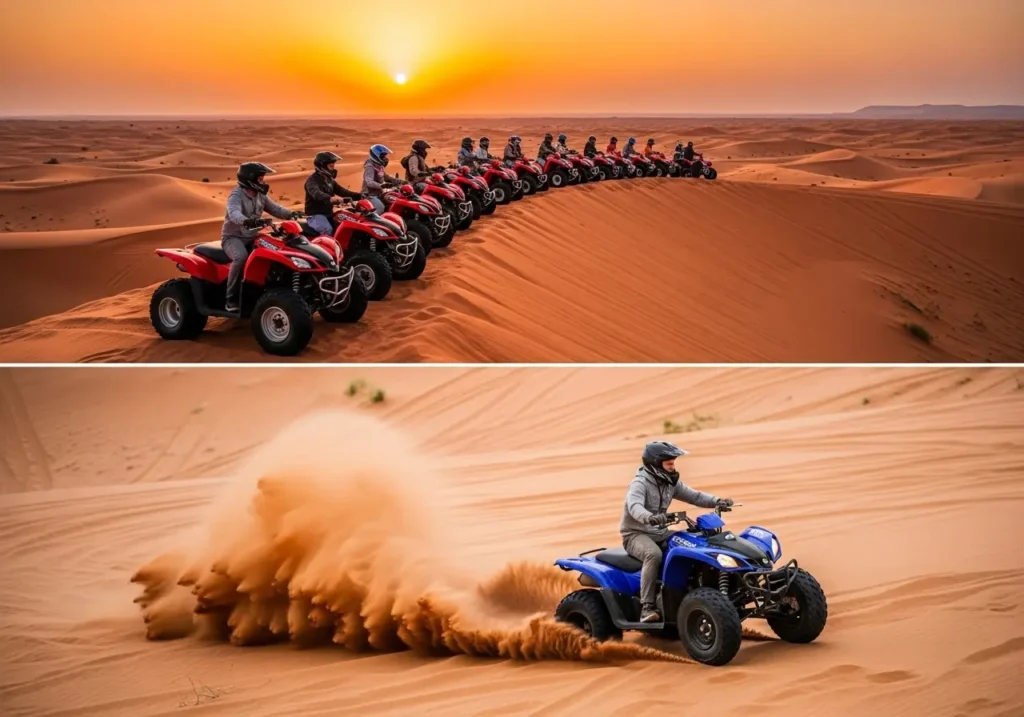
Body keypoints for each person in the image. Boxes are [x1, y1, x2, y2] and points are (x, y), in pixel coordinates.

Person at [620, 441, 733, 623]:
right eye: (669, 463)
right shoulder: (639, 484)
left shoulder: (670, 482)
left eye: (673, 463)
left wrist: (717, 501)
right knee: (653, 555)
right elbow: (634, 506)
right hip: (635, 534)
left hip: (660, 532)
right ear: (655, 465)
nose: (673, 467)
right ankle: (647, 607)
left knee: (691, 544)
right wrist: (648, 517)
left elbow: (694, 496)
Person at [221, 162, 301, 313]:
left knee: (274, 254)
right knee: (241, 257)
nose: (263, 182)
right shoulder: (236, 195)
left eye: (263, 178)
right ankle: (231, 298)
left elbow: (276, 209)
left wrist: (291, 214)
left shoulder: (260, 196)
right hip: (233, 237)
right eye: (260, 179)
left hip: (253, 236)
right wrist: (245, 220)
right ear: (249, 179)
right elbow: (233, 213)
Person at [304, 151, 362, 237]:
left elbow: (343, 192)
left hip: (329, 213)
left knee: (344, 225)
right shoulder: (312, 180)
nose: (333, 168)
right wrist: (330, 198)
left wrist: (361, 196)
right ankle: (324, 249)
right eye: (331, 166)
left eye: (333, 165)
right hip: (315, 215)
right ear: (322, 166)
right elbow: (316, 193)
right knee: (327, 230)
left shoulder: (329, 180)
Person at [361, 144, 392, 212]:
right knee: (380, 208)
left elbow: (386, 177)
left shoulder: (379, 166)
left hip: (378, 193)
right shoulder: (370, 167)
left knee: (390, 203)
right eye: (383, 156)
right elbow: (369, 182)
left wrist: (399, 181)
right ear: (376, 156)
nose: (385, 158)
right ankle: (371, 221)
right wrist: (382, 186)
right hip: (369, 195)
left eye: (385, 156)